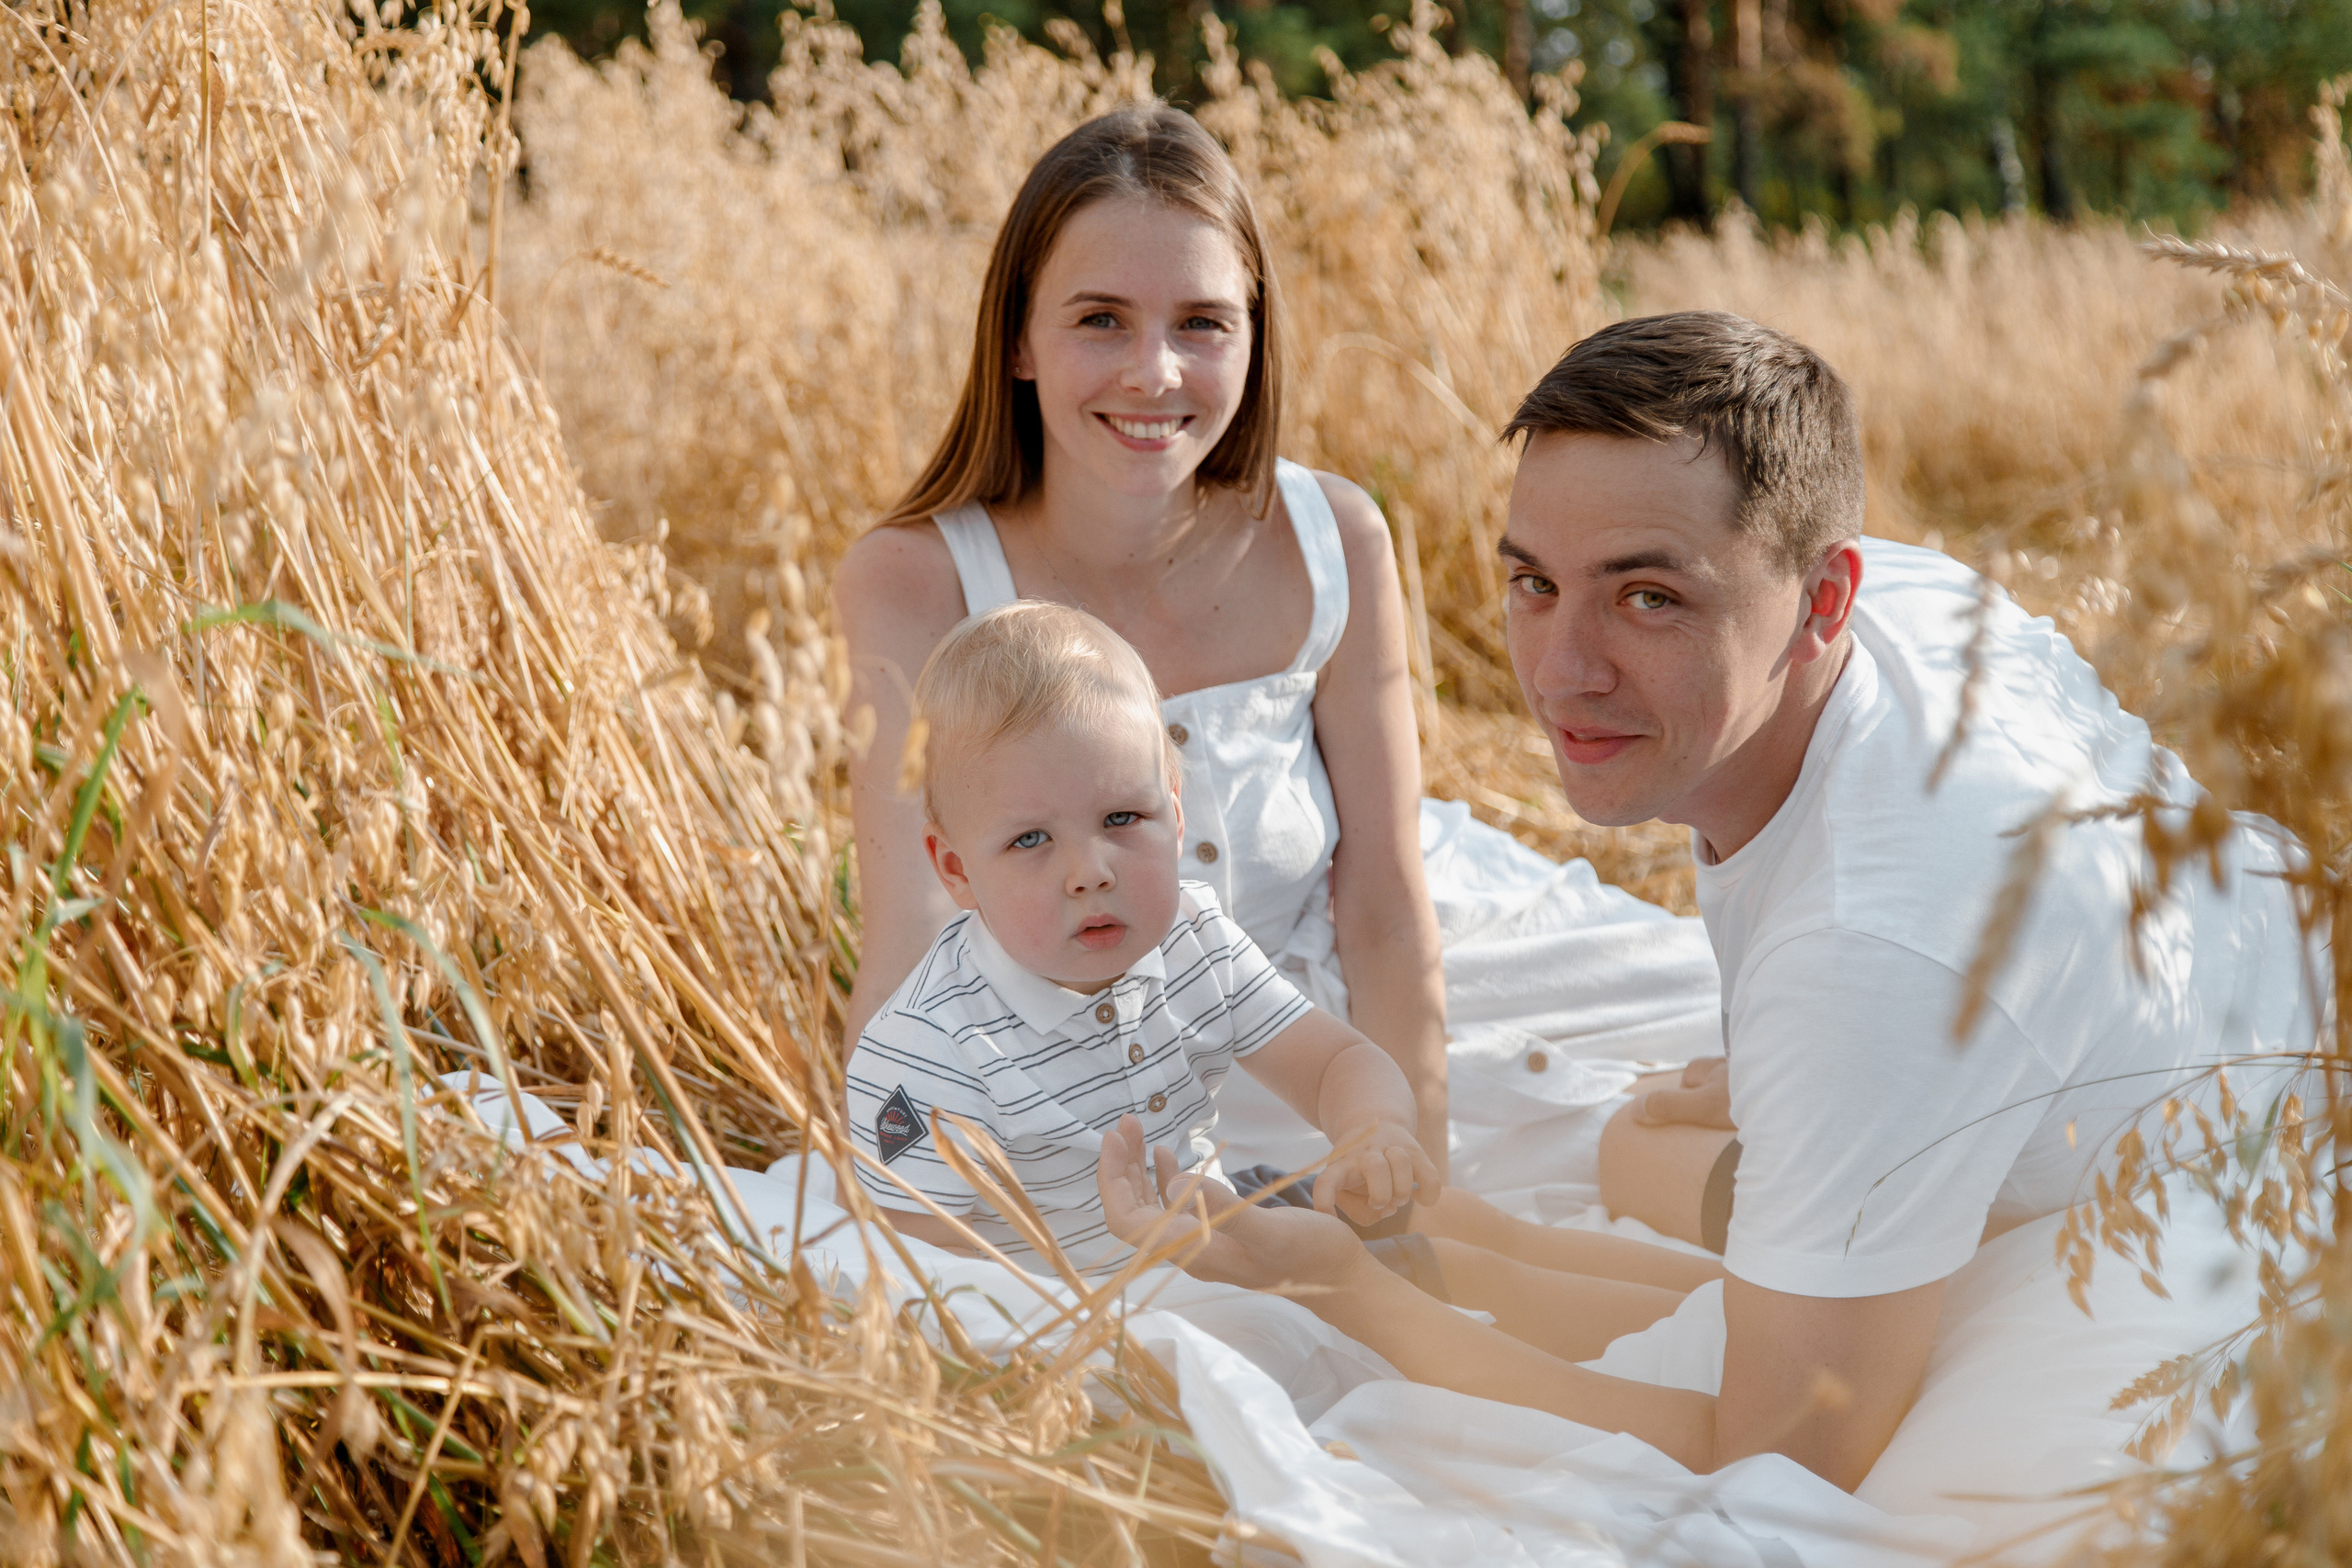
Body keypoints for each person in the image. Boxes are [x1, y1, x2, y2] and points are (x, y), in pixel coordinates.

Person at [1099, 310, 2316, 1490]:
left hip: (2234, 1245)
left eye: (1648, 598)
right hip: (2241, 1036)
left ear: (1820, 599)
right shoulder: (1903, 605)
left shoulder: (1872, 947)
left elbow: (1777, 1454)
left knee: (1623, 1200)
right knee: (1642, 1140)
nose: (1562, 669)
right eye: (1533, 582)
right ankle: (1468, 1236)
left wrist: (1348, 1293)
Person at [833, 104, 1720, 1201]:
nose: (1154, 373)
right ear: (1016, 338)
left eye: (1201, 323)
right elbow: (916, 942)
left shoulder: (1329, 535)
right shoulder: (916, 579)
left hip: (1386, 997)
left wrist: (1414, 1164)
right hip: (1115, 1069)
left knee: (1726, 1075)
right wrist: (926, 1200)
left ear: (1254, 336)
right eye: (1100, 320)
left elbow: (1387, 903)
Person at [854, 600, 1716, 1354]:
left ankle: (1736, 1310)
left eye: (1124, 817)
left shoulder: (1189, 936)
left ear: (1177, 809)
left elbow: (1333, 1060)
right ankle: (1717, 1344)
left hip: (1232, 1214)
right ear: (955, 868)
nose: (1090, 869)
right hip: (1132, 1300)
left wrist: (1371, 1126)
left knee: (1461, 1222)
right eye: (1030, 840)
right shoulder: (929, 1053)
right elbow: (925, 1268)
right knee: (1445, 1278)